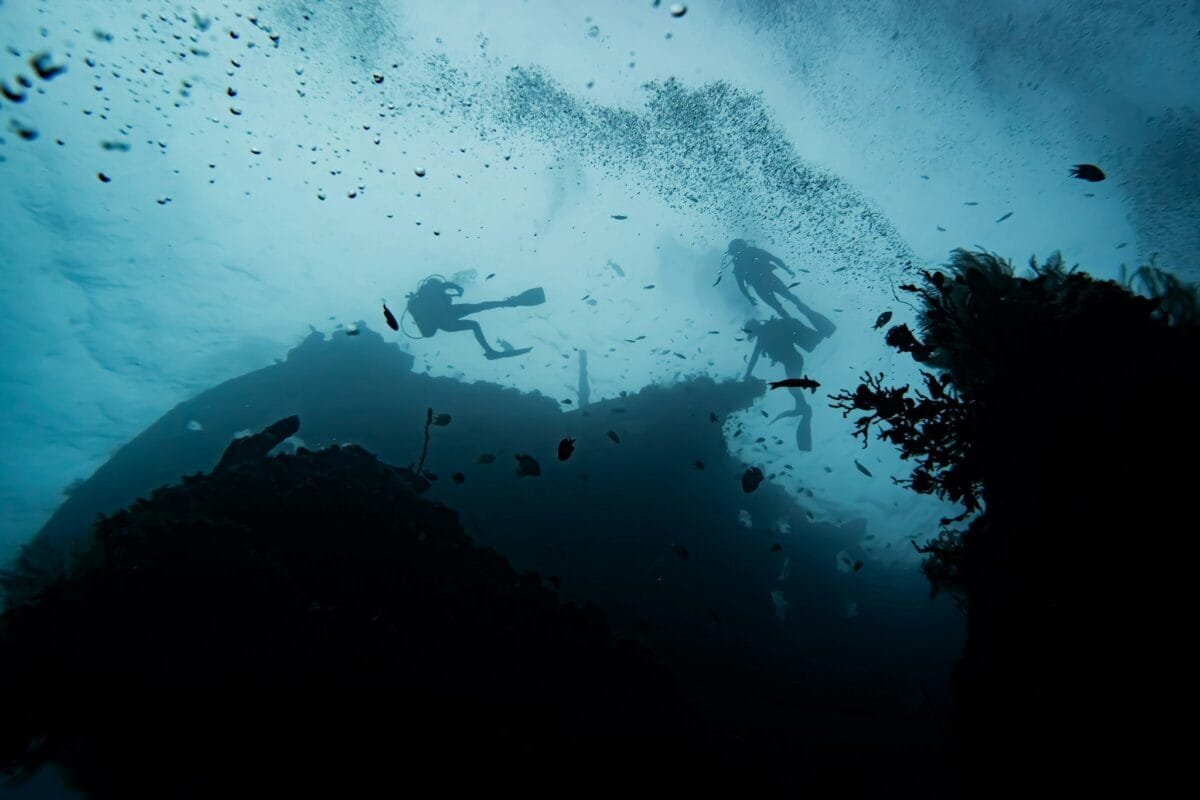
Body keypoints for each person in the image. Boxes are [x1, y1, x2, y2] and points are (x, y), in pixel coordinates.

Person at [743, 317, 831, 452]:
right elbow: (778, 346)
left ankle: (804, 408)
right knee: (792, 388)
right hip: (793, 360)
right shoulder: (769, 331)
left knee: (792, 387)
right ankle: (802, 407)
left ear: (754, 329)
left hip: (793, 361)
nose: (751, 335)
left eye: (751, 332)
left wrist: (748, 373)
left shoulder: (763, 336)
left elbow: (755, 357)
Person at [405, 276, 545, 359]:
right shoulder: (432, 289)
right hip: (446, 318)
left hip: (446, 317)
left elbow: (444, 289)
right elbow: (445, 285)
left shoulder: (424, 296)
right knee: (479, 310)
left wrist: (456, 289)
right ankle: (510, 303)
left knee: (477, 317)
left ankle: (490, 350)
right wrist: (457, 288)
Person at [725, 239, 837, 338]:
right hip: (771, 280)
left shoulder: (737, 264)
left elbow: (741, 285)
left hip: (761, 288)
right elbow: (775, 259)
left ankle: (800, 333)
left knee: (779, 309)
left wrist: (749, 298)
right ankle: (823, 326)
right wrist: (787, 269)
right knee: (793, 299)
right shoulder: (754, 251)